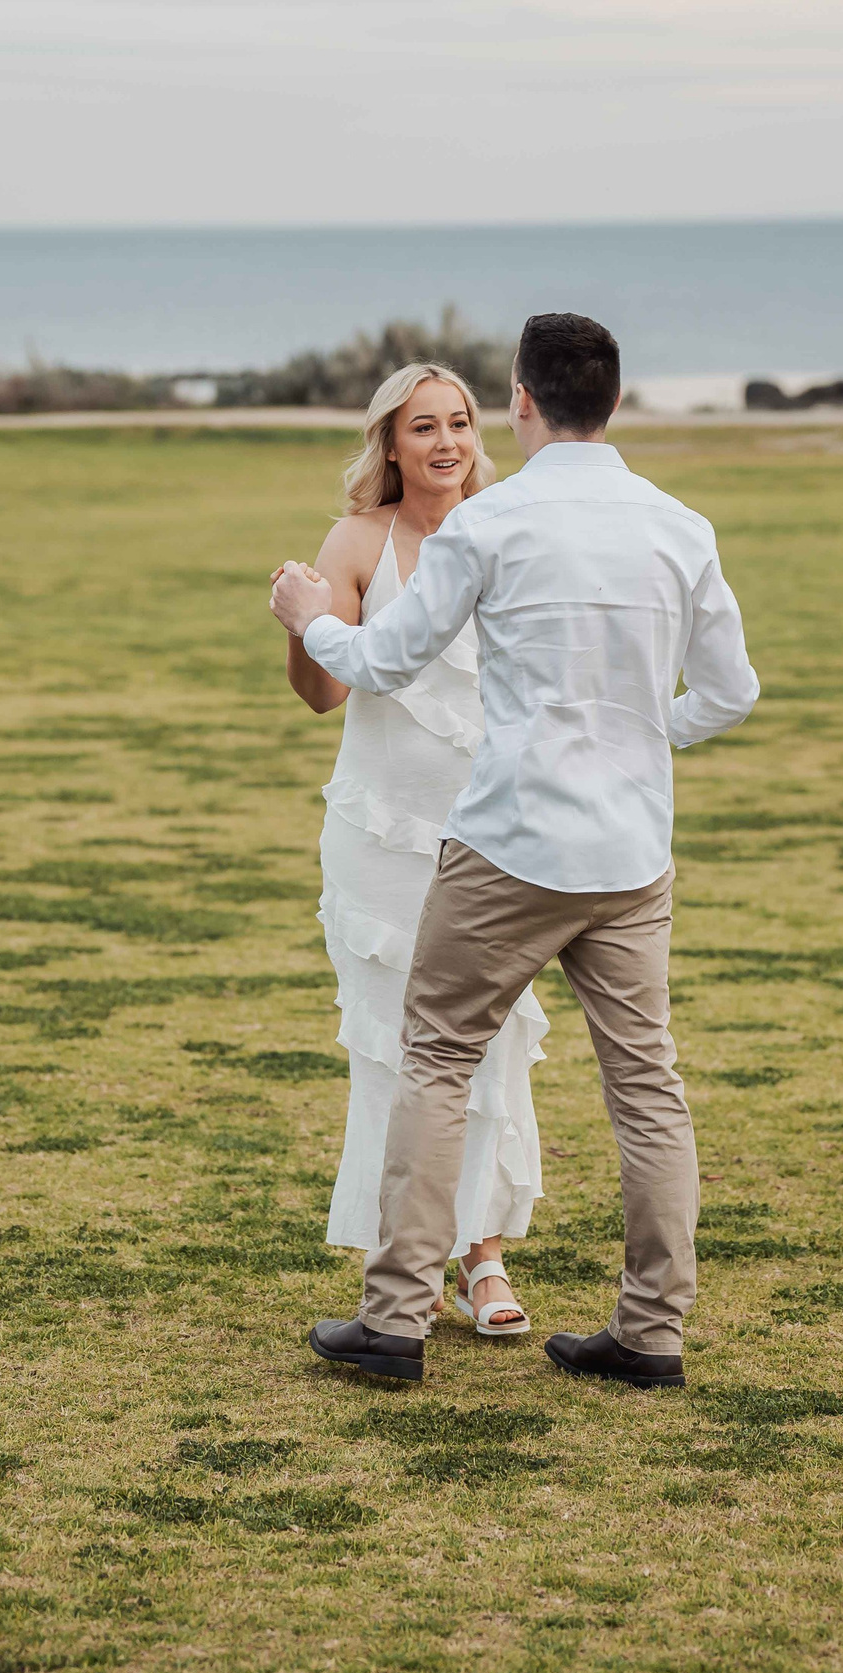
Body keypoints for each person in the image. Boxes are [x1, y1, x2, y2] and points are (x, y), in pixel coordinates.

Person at [269, 312, 759, 1388]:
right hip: (630, 855)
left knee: (436, 1058)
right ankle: (651, 1334)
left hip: (508, 848)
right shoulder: (681, 526)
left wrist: (308, 615)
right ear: (613, 401)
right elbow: (731, 693)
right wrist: (645, 738)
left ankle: (395, 1321)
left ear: (521, 402)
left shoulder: (487, 525)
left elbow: (383, 661)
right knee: (647, 1086)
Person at [272, 362, 546, 1337]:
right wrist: (302, 623)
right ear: (390, 442)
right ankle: (406, 1263)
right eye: (423, 425)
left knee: (489, 1041)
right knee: (393, 1045)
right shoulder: (357, 540)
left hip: (489, 831)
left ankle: (485, 1258)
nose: (446, 441)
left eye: (460, 422)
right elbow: (322, 694)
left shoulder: (506, 529)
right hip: (379, 834)